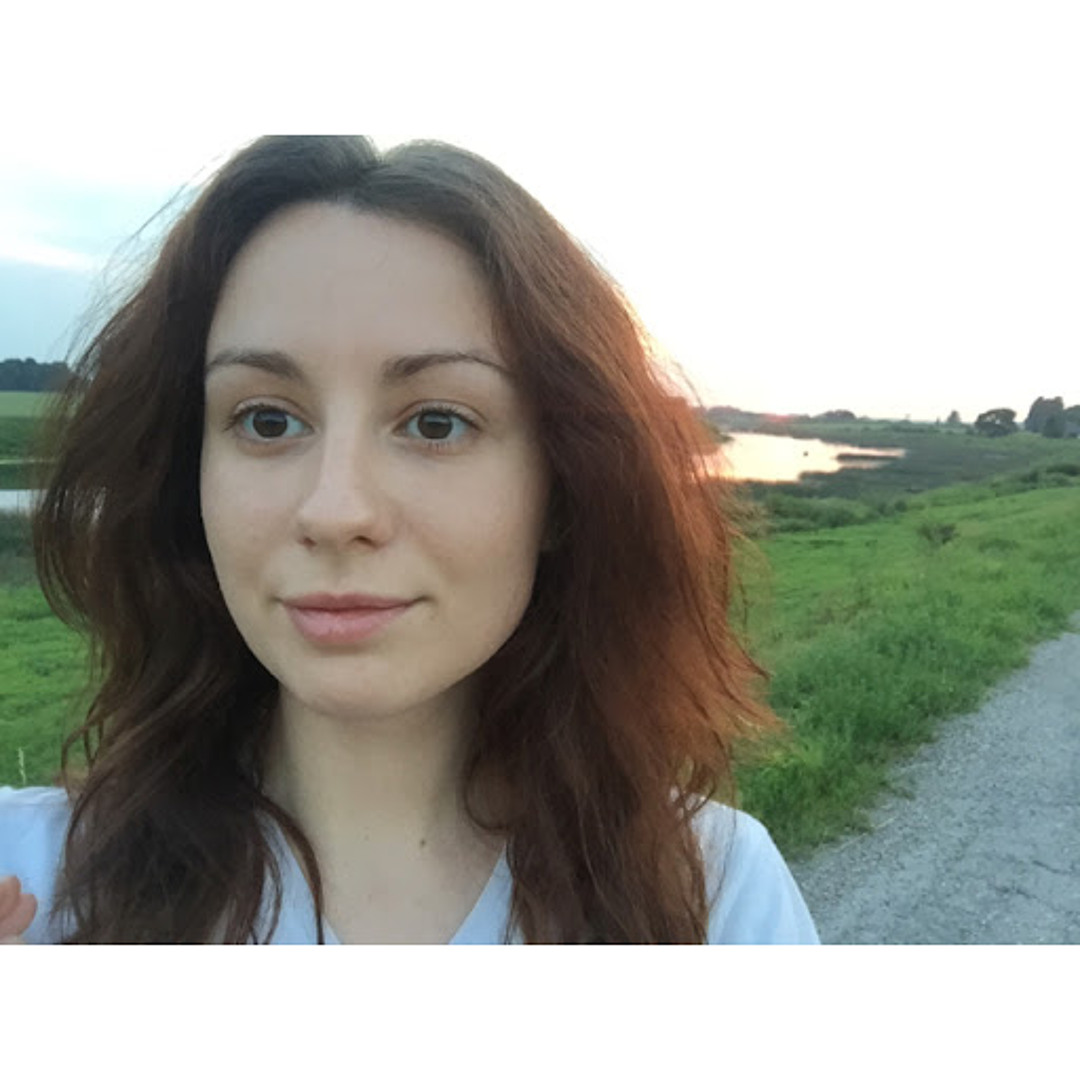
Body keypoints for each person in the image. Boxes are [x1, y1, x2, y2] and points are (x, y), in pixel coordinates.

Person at [0, 135, 818, 944]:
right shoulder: (29, 880)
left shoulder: (713, 896)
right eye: (267, 420)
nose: (335, 511)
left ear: (565, 489)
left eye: (436, 423)